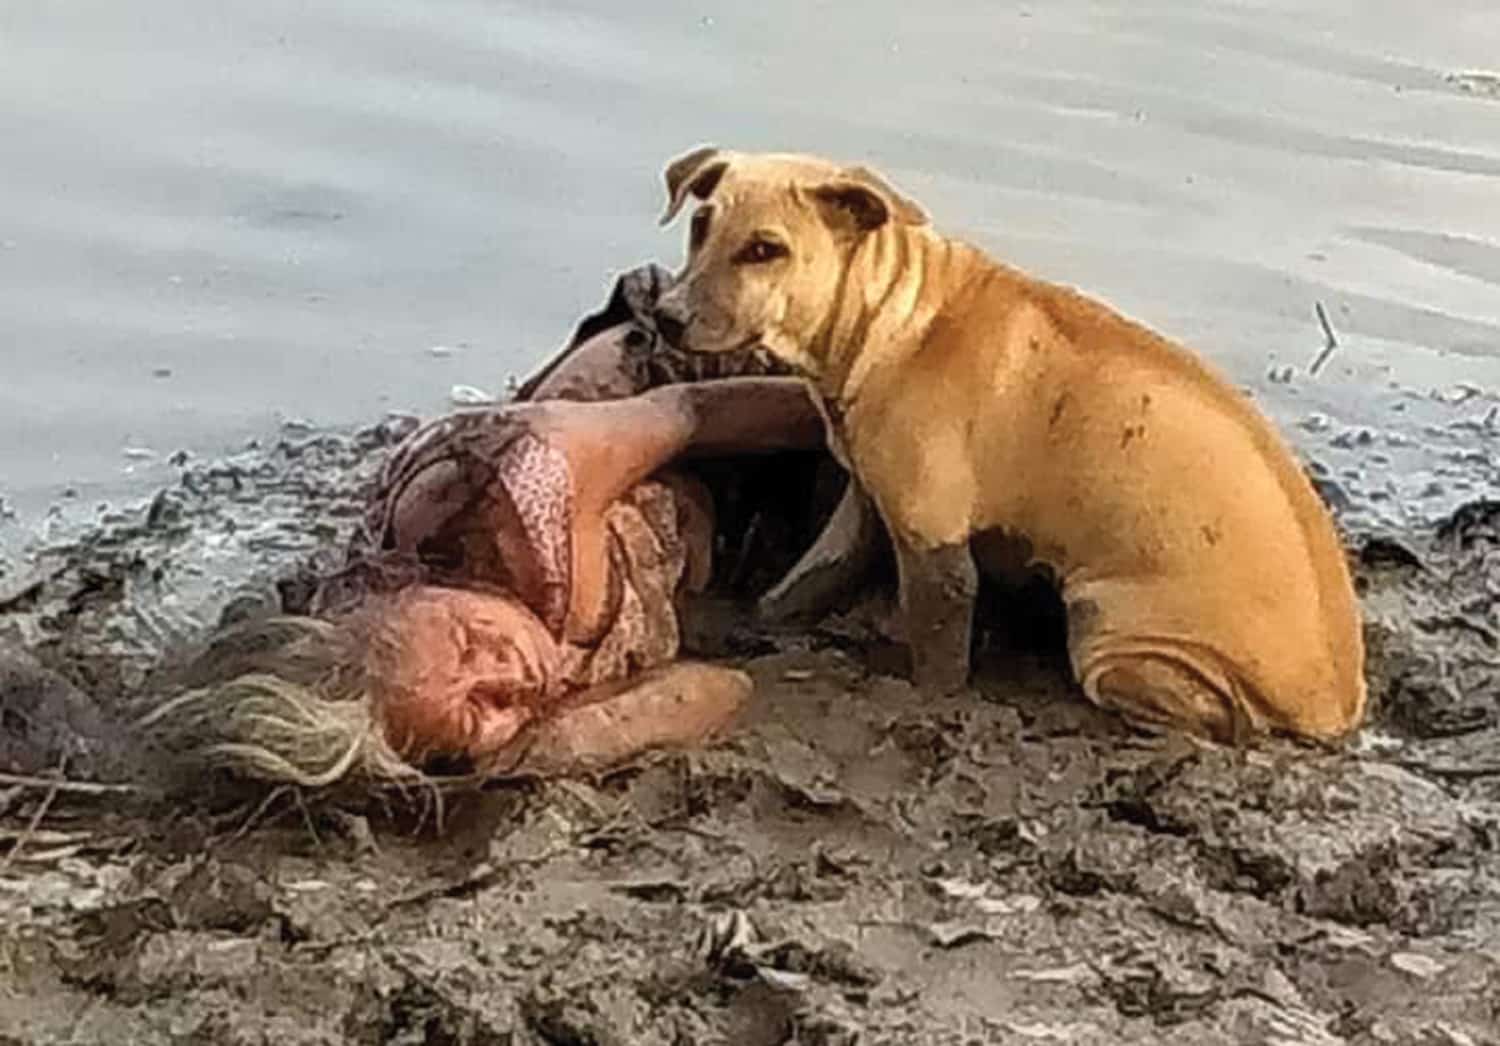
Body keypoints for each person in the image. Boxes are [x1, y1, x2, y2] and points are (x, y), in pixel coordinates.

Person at [143, 266, 833, 789]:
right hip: (696, 542)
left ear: (404, 594)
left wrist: (856, 419)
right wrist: (552, 745)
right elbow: (720, 689)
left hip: (704, 387)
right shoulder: (421, 691)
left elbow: (688, 411)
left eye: (468, 642)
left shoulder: (525, 487)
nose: (509, 675)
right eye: (477, 716)